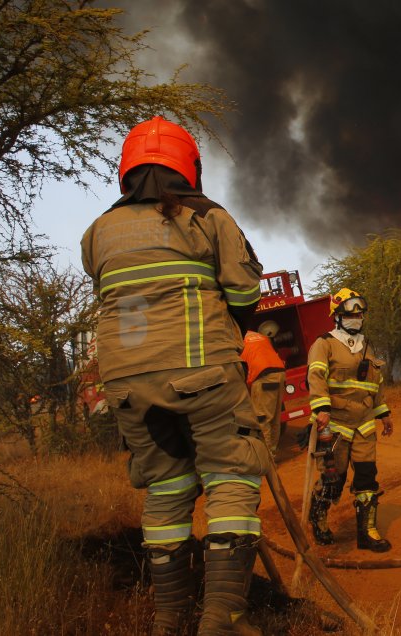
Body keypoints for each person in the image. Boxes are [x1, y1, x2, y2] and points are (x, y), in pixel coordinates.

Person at [81, 116, 269, 636]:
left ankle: (169, 620)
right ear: (190, 167)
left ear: (127, 171)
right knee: (231, 476)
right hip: (202, 371)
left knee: (167, 486)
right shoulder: (207, 217)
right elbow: (245, 293)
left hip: (125, 384)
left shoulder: (98, 230)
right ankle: (223, 618)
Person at [306, 288, 395, 552]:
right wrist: (321, 408)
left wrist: (384, 413)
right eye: (350, 314)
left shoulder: (368, 346)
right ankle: (319, 519)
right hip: (335, 425)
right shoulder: (324, 344)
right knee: (334, 480)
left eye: (360, 314)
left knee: (367, 478)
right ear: (337, 316)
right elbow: (316, 377)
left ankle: (367, 534)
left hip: (365, 424)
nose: (357, 318)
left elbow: (375, 384)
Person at [241, 321, 287, 455]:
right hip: (279, 372)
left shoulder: (234, 340)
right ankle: (272, 451)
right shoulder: (257, 336)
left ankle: (267, 457)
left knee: (262, 419)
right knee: (274, 418)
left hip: (263, 376)